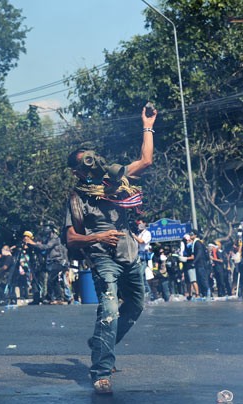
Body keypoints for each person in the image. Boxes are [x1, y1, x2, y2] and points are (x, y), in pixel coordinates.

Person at [65, 105, 156, 395]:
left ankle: (101, 345)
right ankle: (101, 372)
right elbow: (70, 238)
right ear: (77, 171)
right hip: (104, 259)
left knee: (136, 306)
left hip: (129, 253)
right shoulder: (79, 197)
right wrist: (98, 236)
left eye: (92, 159)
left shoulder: (114, 183)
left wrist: (147, 125)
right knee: (109, 310)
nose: (92, 165)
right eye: (85, 163)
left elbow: (145, 160)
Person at [24, 222, 68, 304]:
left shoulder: (55, 239)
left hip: (58, 261)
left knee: (52, 279)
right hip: (51, 262)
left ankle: (58, 298)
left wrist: (33, 243)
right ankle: (54, 298)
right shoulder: (47, 239)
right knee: (53, 280)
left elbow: (46, 247)